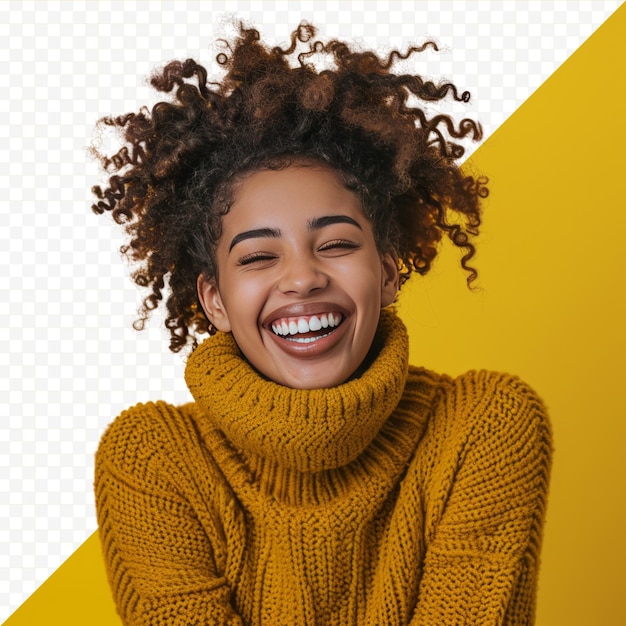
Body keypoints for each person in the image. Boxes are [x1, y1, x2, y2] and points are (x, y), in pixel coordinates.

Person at [92, 22, 552, 626]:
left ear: (387, 273)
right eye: (258, 256)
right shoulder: (154, 460)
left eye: (335, 243)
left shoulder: (485, 427)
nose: (302, 278)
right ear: (215, 301)